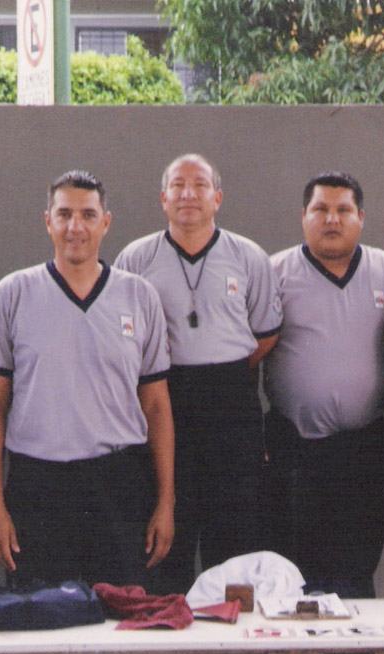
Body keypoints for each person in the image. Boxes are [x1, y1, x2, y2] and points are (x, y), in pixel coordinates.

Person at [0, 171, 175, 654]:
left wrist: (165, 500)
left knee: (127, 637)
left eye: (88, 215)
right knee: (41, 640)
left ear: (106, 223)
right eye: (64, 214)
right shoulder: (14, 293)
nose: (76, 226)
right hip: (38, 485)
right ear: (48, 221)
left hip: (119, 482)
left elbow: (156, 405)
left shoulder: (138, 296)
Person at [114, 154, 281, 594]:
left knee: (236, 545)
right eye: (178, 185)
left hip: (232, 408)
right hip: (164, 405)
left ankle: (235, 640)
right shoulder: (136, 258)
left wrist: (220, 371)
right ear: (163, 198)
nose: (188, 194)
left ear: (218, 197)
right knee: (166, 539)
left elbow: (266, 334)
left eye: (200, 185)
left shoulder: (248, 257)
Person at [262, 171, 384, 654]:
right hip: (296, 450)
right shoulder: (275, 273)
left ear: (360, 217)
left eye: (343, 210)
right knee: (298, 575)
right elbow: (249, 352)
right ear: (303, 216)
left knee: (354, 573)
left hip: (364, 449)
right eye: (320, 209)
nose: (332, 219)